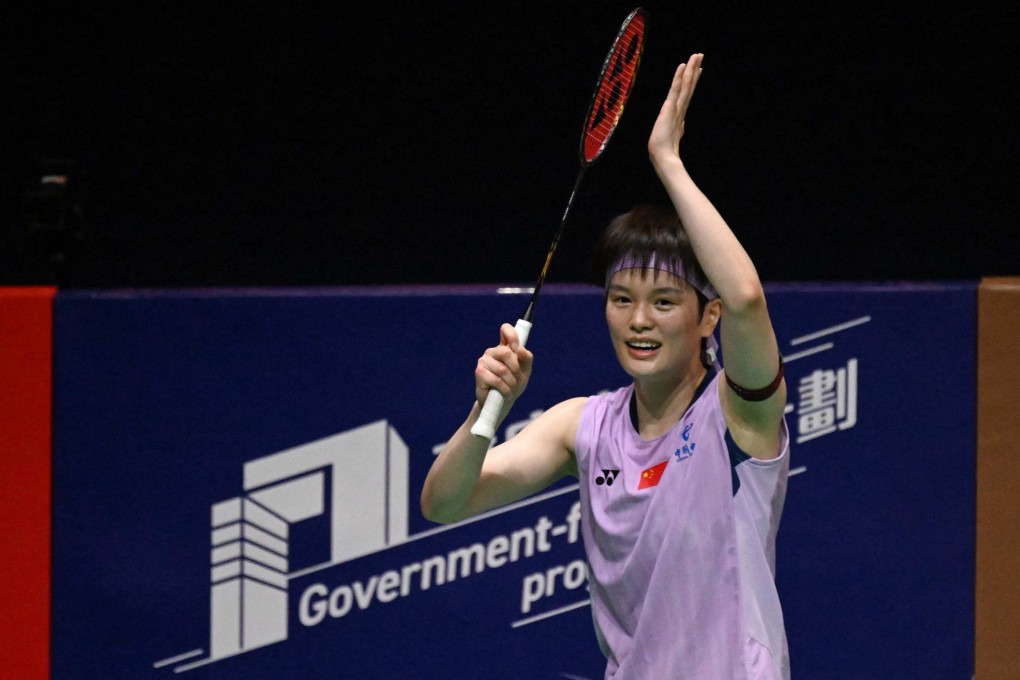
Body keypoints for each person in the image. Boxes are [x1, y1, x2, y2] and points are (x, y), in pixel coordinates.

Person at [421, 53, 791, 680]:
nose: (639, 320)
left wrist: (668, 163)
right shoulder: (583, 426)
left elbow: (749, 300)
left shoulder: (737, 418)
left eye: (665, 301)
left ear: (708, 318)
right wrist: (488, 413)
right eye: (622, 300)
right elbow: (444, 503)